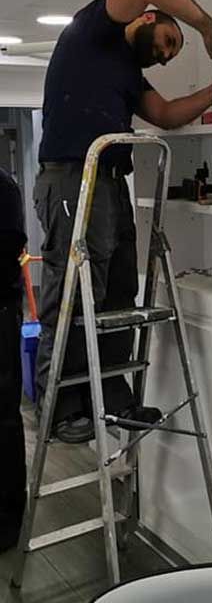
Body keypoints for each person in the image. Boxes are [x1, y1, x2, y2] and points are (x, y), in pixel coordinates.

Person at [34, 0, 212, 444]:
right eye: (168, 41)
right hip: (73, 177)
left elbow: (169, 115)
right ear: (148, 18)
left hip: (112, 183)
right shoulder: (92, 33)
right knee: (75, 294)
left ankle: (112, 399)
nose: (165, 52)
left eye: (170, 53)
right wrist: (204, 24)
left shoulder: (128, 75)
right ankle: (61, 409)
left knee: (117, 295)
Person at [0, 168, 27, 552]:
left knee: (2, 418)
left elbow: (8, 250)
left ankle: (6, 527)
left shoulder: (3, 189)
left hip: (0, 313)